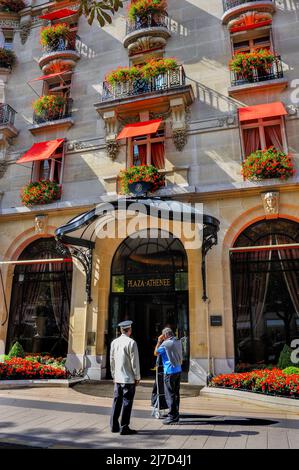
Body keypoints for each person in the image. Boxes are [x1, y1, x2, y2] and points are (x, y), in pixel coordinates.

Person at [110, 320, 141, 435]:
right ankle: (124, 427)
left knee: (116, 401)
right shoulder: (131, 342)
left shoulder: (114, 342)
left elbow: (111, 360)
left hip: (117, 378)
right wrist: (137, 376)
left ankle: (114, 425)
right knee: (127, 403)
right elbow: (135, 362)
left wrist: (113, 375)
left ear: (121, 330)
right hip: (128, 378)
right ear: (129, 330)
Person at [154, 327, 183, 424]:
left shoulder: (165, 343)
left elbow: (156, 352)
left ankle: (172, 416)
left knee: (169, 394)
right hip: (178, 370)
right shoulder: (177, 341)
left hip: (169, 371)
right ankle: (176, 413)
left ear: (165, 335)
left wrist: (159, 341)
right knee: (176, 394)